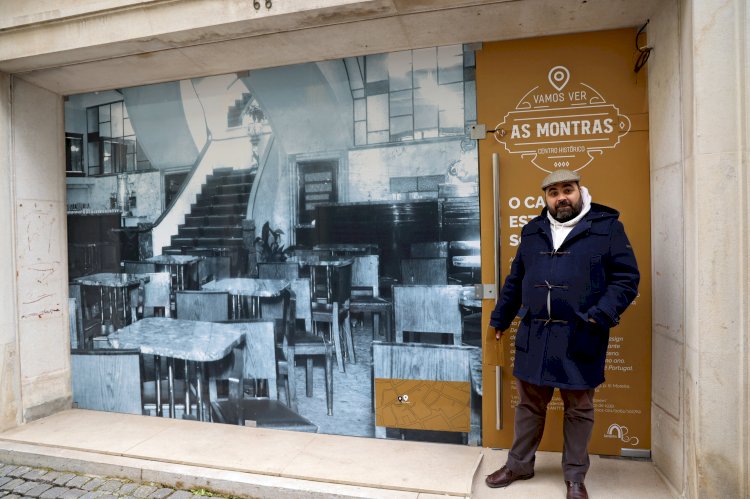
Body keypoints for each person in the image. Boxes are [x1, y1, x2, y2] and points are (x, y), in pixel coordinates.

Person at [484, 169, 639, 499]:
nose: (561, 197)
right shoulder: (532, 231)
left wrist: (599, 316)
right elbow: (515, 282)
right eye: (553, 193)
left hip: (582, 333)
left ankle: (574, 477)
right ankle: (519, 465)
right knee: (528, 405)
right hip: (535, 335)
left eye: (567, 190)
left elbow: (626, 278)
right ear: (546, 198)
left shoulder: (607, 227)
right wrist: (500, 319)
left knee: (579, 409)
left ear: (581, 191)